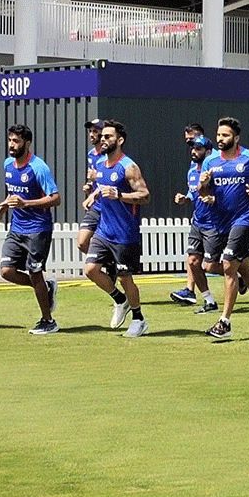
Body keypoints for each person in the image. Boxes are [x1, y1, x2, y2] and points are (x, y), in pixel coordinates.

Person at [198, 117, 249, 339]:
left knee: (228, 265)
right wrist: (204, 187)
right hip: (221, 222)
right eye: (218, 135)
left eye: (225, 135)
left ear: (236, 137)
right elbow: (203, 193)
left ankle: (224, 322)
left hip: (246, 219)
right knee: (241, 267)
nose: (220, 139)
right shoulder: (210, 162)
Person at [83, 120, 152, 337]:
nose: (103, 140)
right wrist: (93, 195)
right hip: (104, 231)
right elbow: (104, 186)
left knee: (125, 277)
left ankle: (139, 319)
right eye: (102, 137)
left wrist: (120, 195)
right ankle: (119, 300)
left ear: (119, 140)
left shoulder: (129, 167)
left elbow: (145, 196)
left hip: (125, 234)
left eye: (108, 137)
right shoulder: (101, 165)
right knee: (90, 269)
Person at [0, 125, 62, 335]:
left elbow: (55, 199)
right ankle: (46, 288)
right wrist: (5, 205)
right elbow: (14, 194)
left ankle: (48, 321)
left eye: (16, 141)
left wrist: (27, 204)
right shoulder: (8, 164)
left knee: (35, 272)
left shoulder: (38, 168)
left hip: (38, 229)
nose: (12, 145)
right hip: (17, 228)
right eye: (10, 140)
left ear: (27, 143)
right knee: (7, 271)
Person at [171, 134, 219, 314]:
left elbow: (225, 193)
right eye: (193, 148)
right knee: (192, 261)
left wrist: (214, 199)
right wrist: (185, 198)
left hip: (214, 223)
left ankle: (244, 273)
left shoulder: (215, 171)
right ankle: (209, 301)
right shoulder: (192, 171)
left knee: (210, 266)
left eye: (198, 149)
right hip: (197, 222)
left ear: (208, 151)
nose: (194, 152)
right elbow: (193, 193)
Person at [77, 119, 105, 256]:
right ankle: (106, 263)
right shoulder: (91, 154)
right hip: (96, 205)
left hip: (108, 205)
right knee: (82, 243)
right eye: (90, 131)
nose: (91, 134)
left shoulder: (107, 155)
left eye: (95, 131)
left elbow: (108, 180)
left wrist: (97, 178)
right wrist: (89, 187)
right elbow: (94, 179)